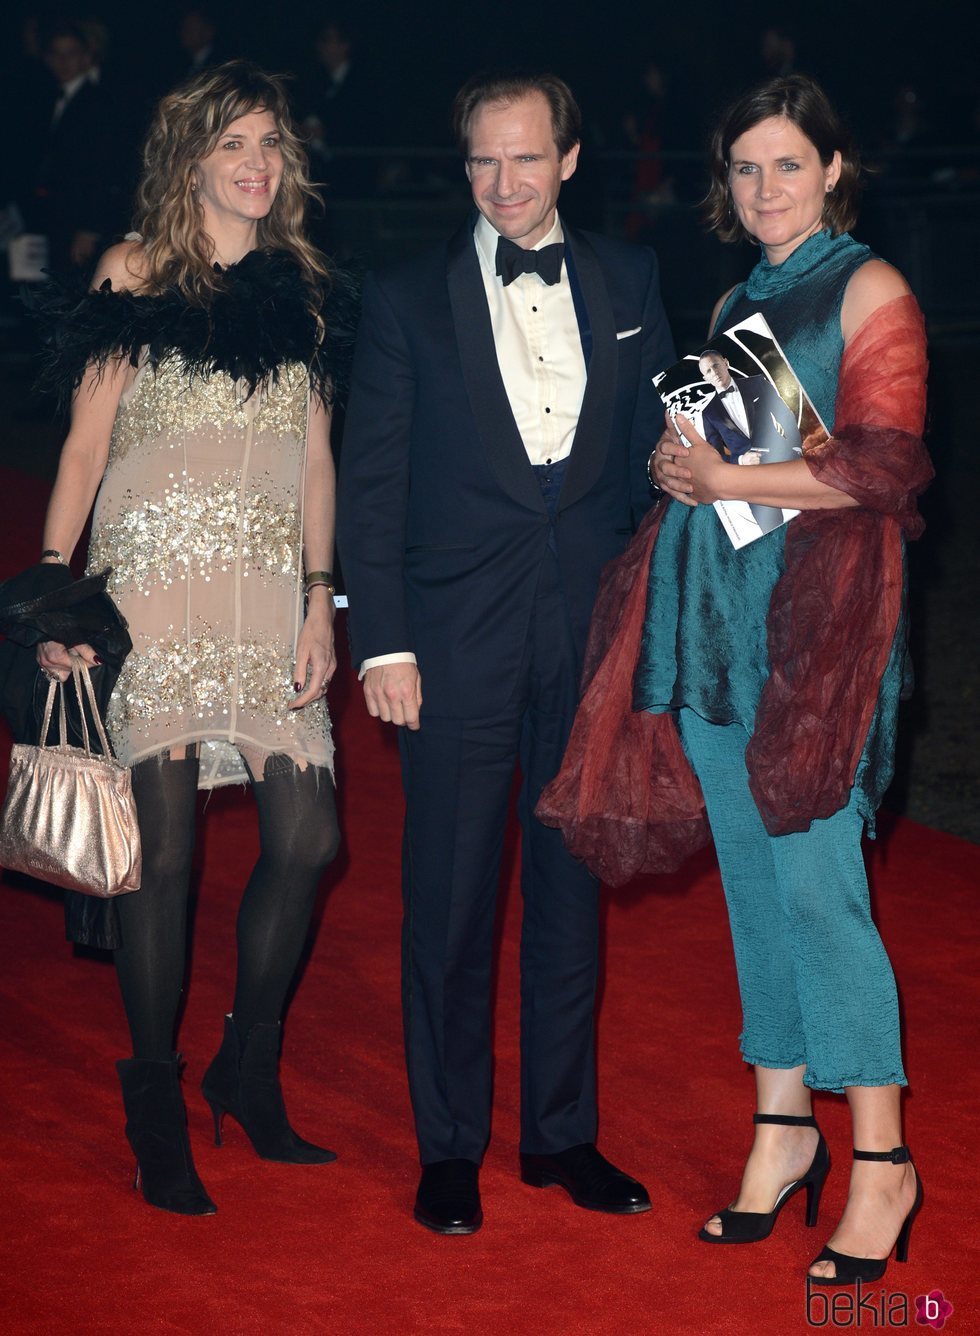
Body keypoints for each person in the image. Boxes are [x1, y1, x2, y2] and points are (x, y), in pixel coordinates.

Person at [541, 74, 932, 1286]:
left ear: (831, 170)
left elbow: (885, 474)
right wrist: (682, 462)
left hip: (820, 640)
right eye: (742, 169)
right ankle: (778, 1132)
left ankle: (881, 1160)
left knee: (823, 895)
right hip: (714, 625)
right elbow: (734, 455)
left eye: (784, 165)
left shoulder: (869, 288)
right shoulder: (730, 296)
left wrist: (730, 482)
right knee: (755, 894)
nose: (761, 189)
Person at [337, 70, 674, 1234]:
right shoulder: (403, 297)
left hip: (586, 640)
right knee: (449, 901)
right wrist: (377, 639)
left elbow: (652, 466)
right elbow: (371, 484)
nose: (503, 183)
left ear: (569, 160)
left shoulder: (631, 279)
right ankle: (447, 1147)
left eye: (524, 158)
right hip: (449, 641)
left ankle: (559, 1135)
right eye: (482, 161)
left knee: (570, 902)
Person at [33, 61, 353, 1215]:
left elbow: (315, 458)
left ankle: (246, 1063)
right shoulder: (133, 268)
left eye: (270, 141)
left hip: (269, 597)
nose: (256, 162)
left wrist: (324, 596)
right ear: (191, 159)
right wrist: (50, 599)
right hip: (149, 593)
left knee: (308, 834)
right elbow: (83, 446)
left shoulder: (306, 286)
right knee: (159, 856)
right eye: (232, 143)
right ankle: (156, 1101)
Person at [697, 349, 802, 533]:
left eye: (716, 365)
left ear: (726, 363)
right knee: (772, 532)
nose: (714, 372)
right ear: (705, 378)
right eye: (708, 371)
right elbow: (716, 457)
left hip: (783, 460)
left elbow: (784, 414)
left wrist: (796, 446)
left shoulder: (757, 383)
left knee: (813, 516)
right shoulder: (708, 413)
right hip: (751, 479)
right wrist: (740, 461)